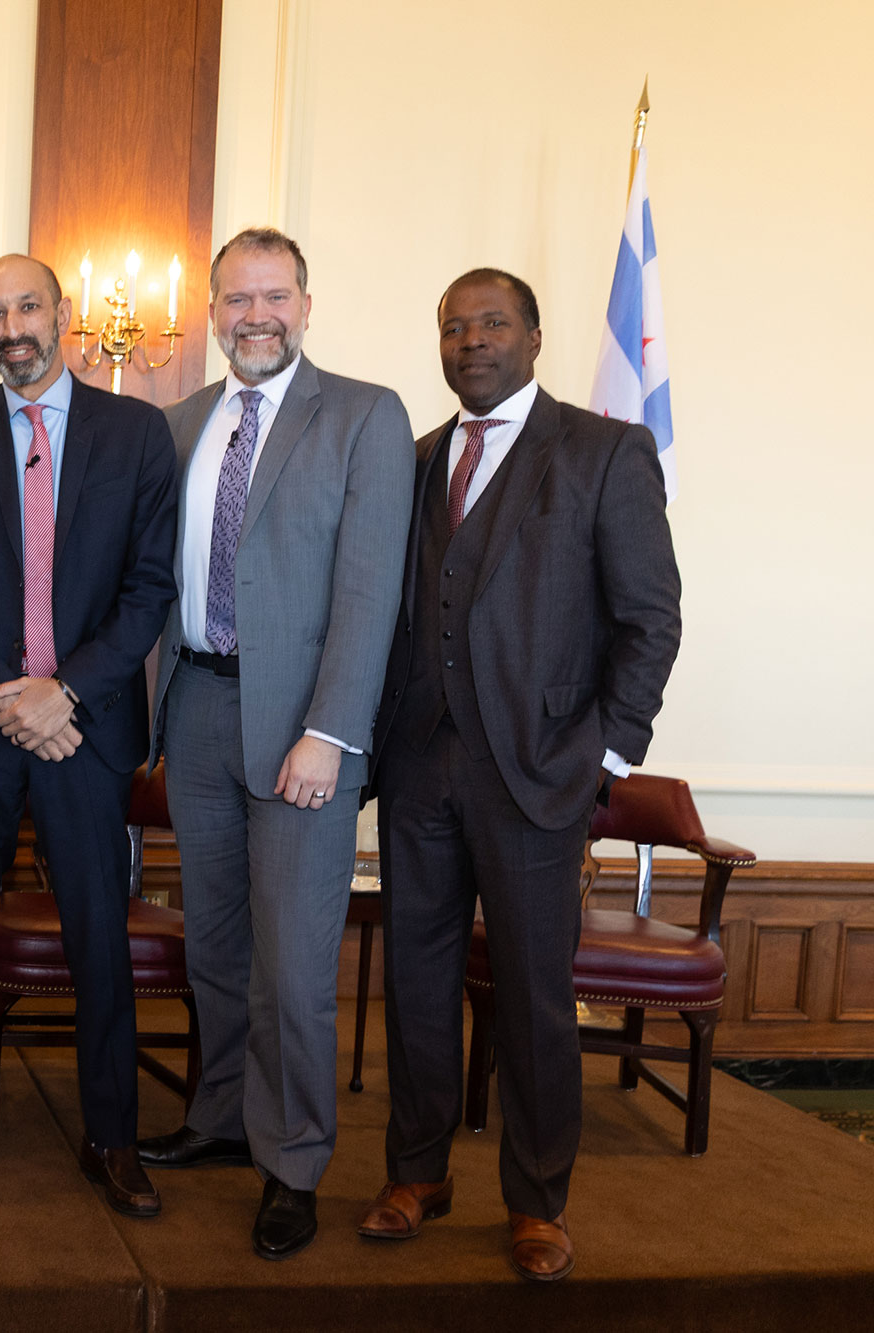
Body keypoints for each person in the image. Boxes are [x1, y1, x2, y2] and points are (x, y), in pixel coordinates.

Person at [358, 268, 681, 1282]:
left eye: (492, 322)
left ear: (534, 337)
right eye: (453, 327)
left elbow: (649, 618)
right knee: (415, 982)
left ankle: (537, 1199)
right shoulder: (414, 461)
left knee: (535, 997)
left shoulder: (603, 451)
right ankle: (417, 1171)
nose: (471, 341)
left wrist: (606, 754)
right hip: (419, 765)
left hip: (539, 775)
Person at [135, 227, 415, 1258]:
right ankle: (221, 1118)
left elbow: (370, 592)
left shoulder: (364, 416)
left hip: (303, 729)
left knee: (292, 967)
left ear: (304, 304)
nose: (255, 315)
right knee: (213, 946)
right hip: (197, 711)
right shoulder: (177, 425)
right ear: (211, 313)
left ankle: (293, 1160)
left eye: (274, 296)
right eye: (236, 298)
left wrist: (329, 732)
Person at [0, 254, 178, 1217]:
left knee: (101, 937)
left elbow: (150, 585)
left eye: (27, 306)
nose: (11, 325)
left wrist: (66, 695)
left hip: (86, 731)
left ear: (63, 315)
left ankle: (113, 1137)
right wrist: (14, 697)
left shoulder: (135, 433)